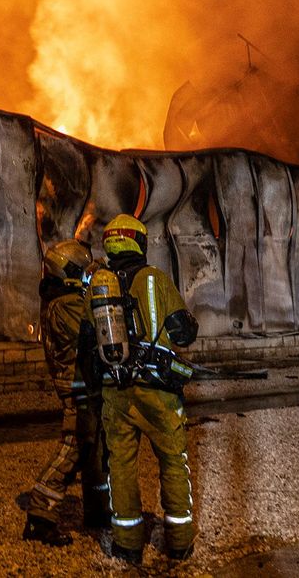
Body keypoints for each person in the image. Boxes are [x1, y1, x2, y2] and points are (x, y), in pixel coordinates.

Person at [89, 214, 199, 563]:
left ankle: (127, 545)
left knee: (120, 464)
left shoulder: (98, 285)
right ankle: (179, 542)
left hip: (115, 391)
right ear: (137, 241)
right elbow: (184, 332)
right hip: (158, 393)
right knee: (172, 461)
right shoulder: (154, 279)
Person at [21, 239, 109, 546]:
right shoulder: (67, 304)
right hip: (78, 386)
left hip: (79, 382)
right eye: (81, 270)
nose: (85, 275)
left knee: (93, 449)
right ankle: (40, 516)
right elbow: (93, 333)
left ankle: (99, 512)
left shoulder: (58, 298)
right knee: (73, 448)